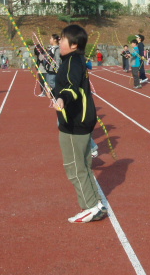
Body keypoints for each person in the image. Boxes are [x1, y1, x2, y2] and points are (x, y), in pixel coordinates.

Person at [50, 24, 106, 223]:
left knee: (75, 168)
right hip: (82, 119)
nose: (59, 41)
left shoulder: (72, 62)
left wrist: (62, 98)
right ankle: (96, 203)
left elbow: (71, 87)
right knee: (83, 166)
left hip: (74, 122)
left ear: (73, 45)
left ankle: (89, 206)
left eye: (63, 39)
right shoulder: (76, 60)